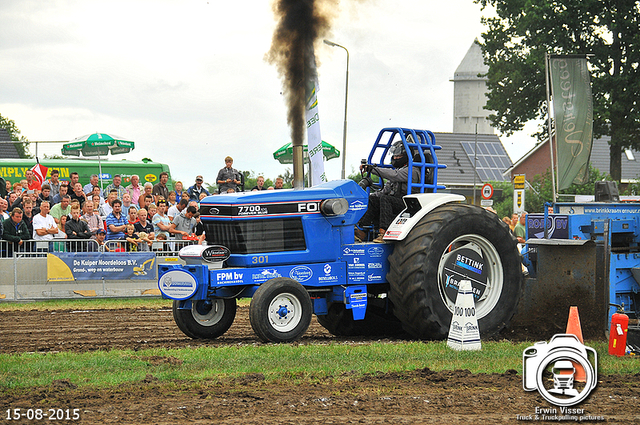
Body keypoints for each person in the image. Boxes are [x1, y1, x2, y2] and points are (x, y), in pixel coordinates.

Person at [357, 140, 421, 243]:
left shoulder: (412, 171)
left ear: (406, 155)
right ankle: (361, 231)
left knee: (385, 199)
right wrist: (367, 197)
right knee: (374, 199)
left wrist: (373, 169)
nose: (395, 158)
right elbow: (384, 190)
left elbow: (394, 175)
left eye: (398, 155)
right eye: (394, 155)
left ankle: (383, 233)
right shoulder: (400, 170)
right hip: (395, 200)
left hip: (408, 203)